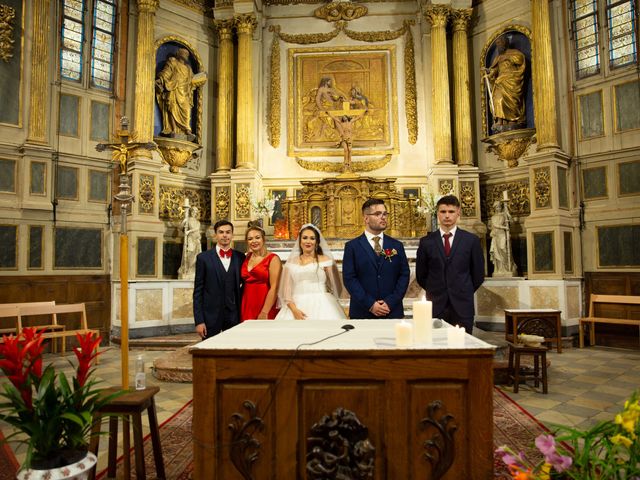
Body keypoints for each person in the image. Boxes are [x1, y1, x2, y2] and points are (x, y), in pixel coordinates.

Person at [415, 195, 485, 334]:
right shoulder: (426, 242)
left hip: (462, 304)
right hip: (436, 304)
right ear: (437, 213)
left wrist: (462, 290)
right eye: (443, 212)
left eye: (451, 212)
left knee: (463, 347)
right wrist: (435, 289)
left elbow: (478, 274)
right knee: (436, 346)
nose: (447, 216)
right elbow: (421, 274)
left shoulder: (471, 240)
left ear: (458, 212)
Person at [342, 199, 410, 319]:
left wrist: (390, 302)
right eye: (378, 214)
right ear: (366, 218)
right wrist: (370, 304)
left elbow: (404, 275)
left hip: (392, 311)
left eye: (385, 214)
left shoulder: (396, 245)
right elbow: (349, 279)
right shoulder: (352, 247)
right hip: (363, 311)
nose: (383, 217)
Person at [274, 224, 346, 321]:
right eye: (305, 238)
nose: (308, 241)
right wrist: (294, 310)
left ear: (317, 242)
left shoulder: (326, 260)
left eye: (312, 238)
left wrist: (331, 269)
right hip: (295, 305)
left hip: (323, 304)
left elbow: (337, 287)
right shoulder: (290, 263)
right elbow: (286, 292)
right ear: (300, 241)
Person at [193, 220, 245, 339]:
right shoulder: (203, 258)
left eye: (228, 232)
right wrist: (199, 321)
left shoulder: (240, 257)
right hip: (210, 316)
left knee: (233, 350)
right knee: (209, 353)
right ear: (215, 235)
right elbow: (198, 292)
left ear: (232, 234)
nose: (225, 235)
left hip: (234, 315)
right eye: (221, 232)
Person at [155, 47, 203, 138]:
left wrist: (201, 78)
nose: (185, 55)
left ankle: (187, 130)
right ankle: (173, 130)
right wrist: (160, 80)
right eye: (183, 53)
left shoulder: (188, 68)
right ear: (179, 54)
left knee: (187, 110)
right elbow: (166, 73)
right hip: (174, 89)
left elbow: (192, 79)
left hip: (185, 92)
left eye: (187, 54)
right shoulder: (173, 62)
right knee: (172, 109)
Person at [483, 36, 526, 132]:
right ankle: (500, 120)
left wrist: (508, 58)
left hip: (511, 80)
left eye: (500, 43)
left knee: (511, 101)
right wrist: (489, 72)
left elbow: (520, 60)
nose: (498, 45)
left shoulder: (513, 53)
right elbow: (494, 70)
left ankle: (512, 121)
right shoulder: (498, 58)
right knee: (498, 99)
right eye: (497, 43)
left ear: (505, 43)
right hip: (500, 81)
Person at [240, 224, 282, 320]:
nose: (254, 241)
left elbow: (274, 287)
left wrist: (264, 311)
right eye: (250, 239)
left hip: (265, 303)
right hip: (247, 303)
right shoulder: (246, 257)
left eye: (257, 238)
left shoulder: (273, 259)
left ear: (263, 239)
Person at [489, 200, 515, 275]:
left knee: (504, 249)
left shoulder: (504, 215)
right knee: (497, 252)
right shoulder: (493, 217)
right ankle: (500, 269)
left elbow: (512, 223)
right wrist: (504, 227)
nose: (498, 208)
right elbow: (495, 225)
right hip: (496, 235)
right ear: (495, 208)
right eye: (497, 207)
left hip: (503, 234)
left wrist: (508, 215)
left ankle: (507, 268)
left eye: (499, 206)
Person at [178, 206, 201, 279]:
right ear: (191, 211)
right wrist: (183, 221)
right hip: (190, 239)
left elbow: (197, 229)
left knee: (197, 255)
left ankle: (192, 271)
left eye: (196, 211)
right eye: (193, 211)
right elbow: (180, 228)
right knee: (189, 254)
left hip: (197, 239)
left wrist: (189, 231)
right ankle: (187, 269)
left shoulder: (198, 222)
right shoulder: (188, 220)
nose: (195, 212)